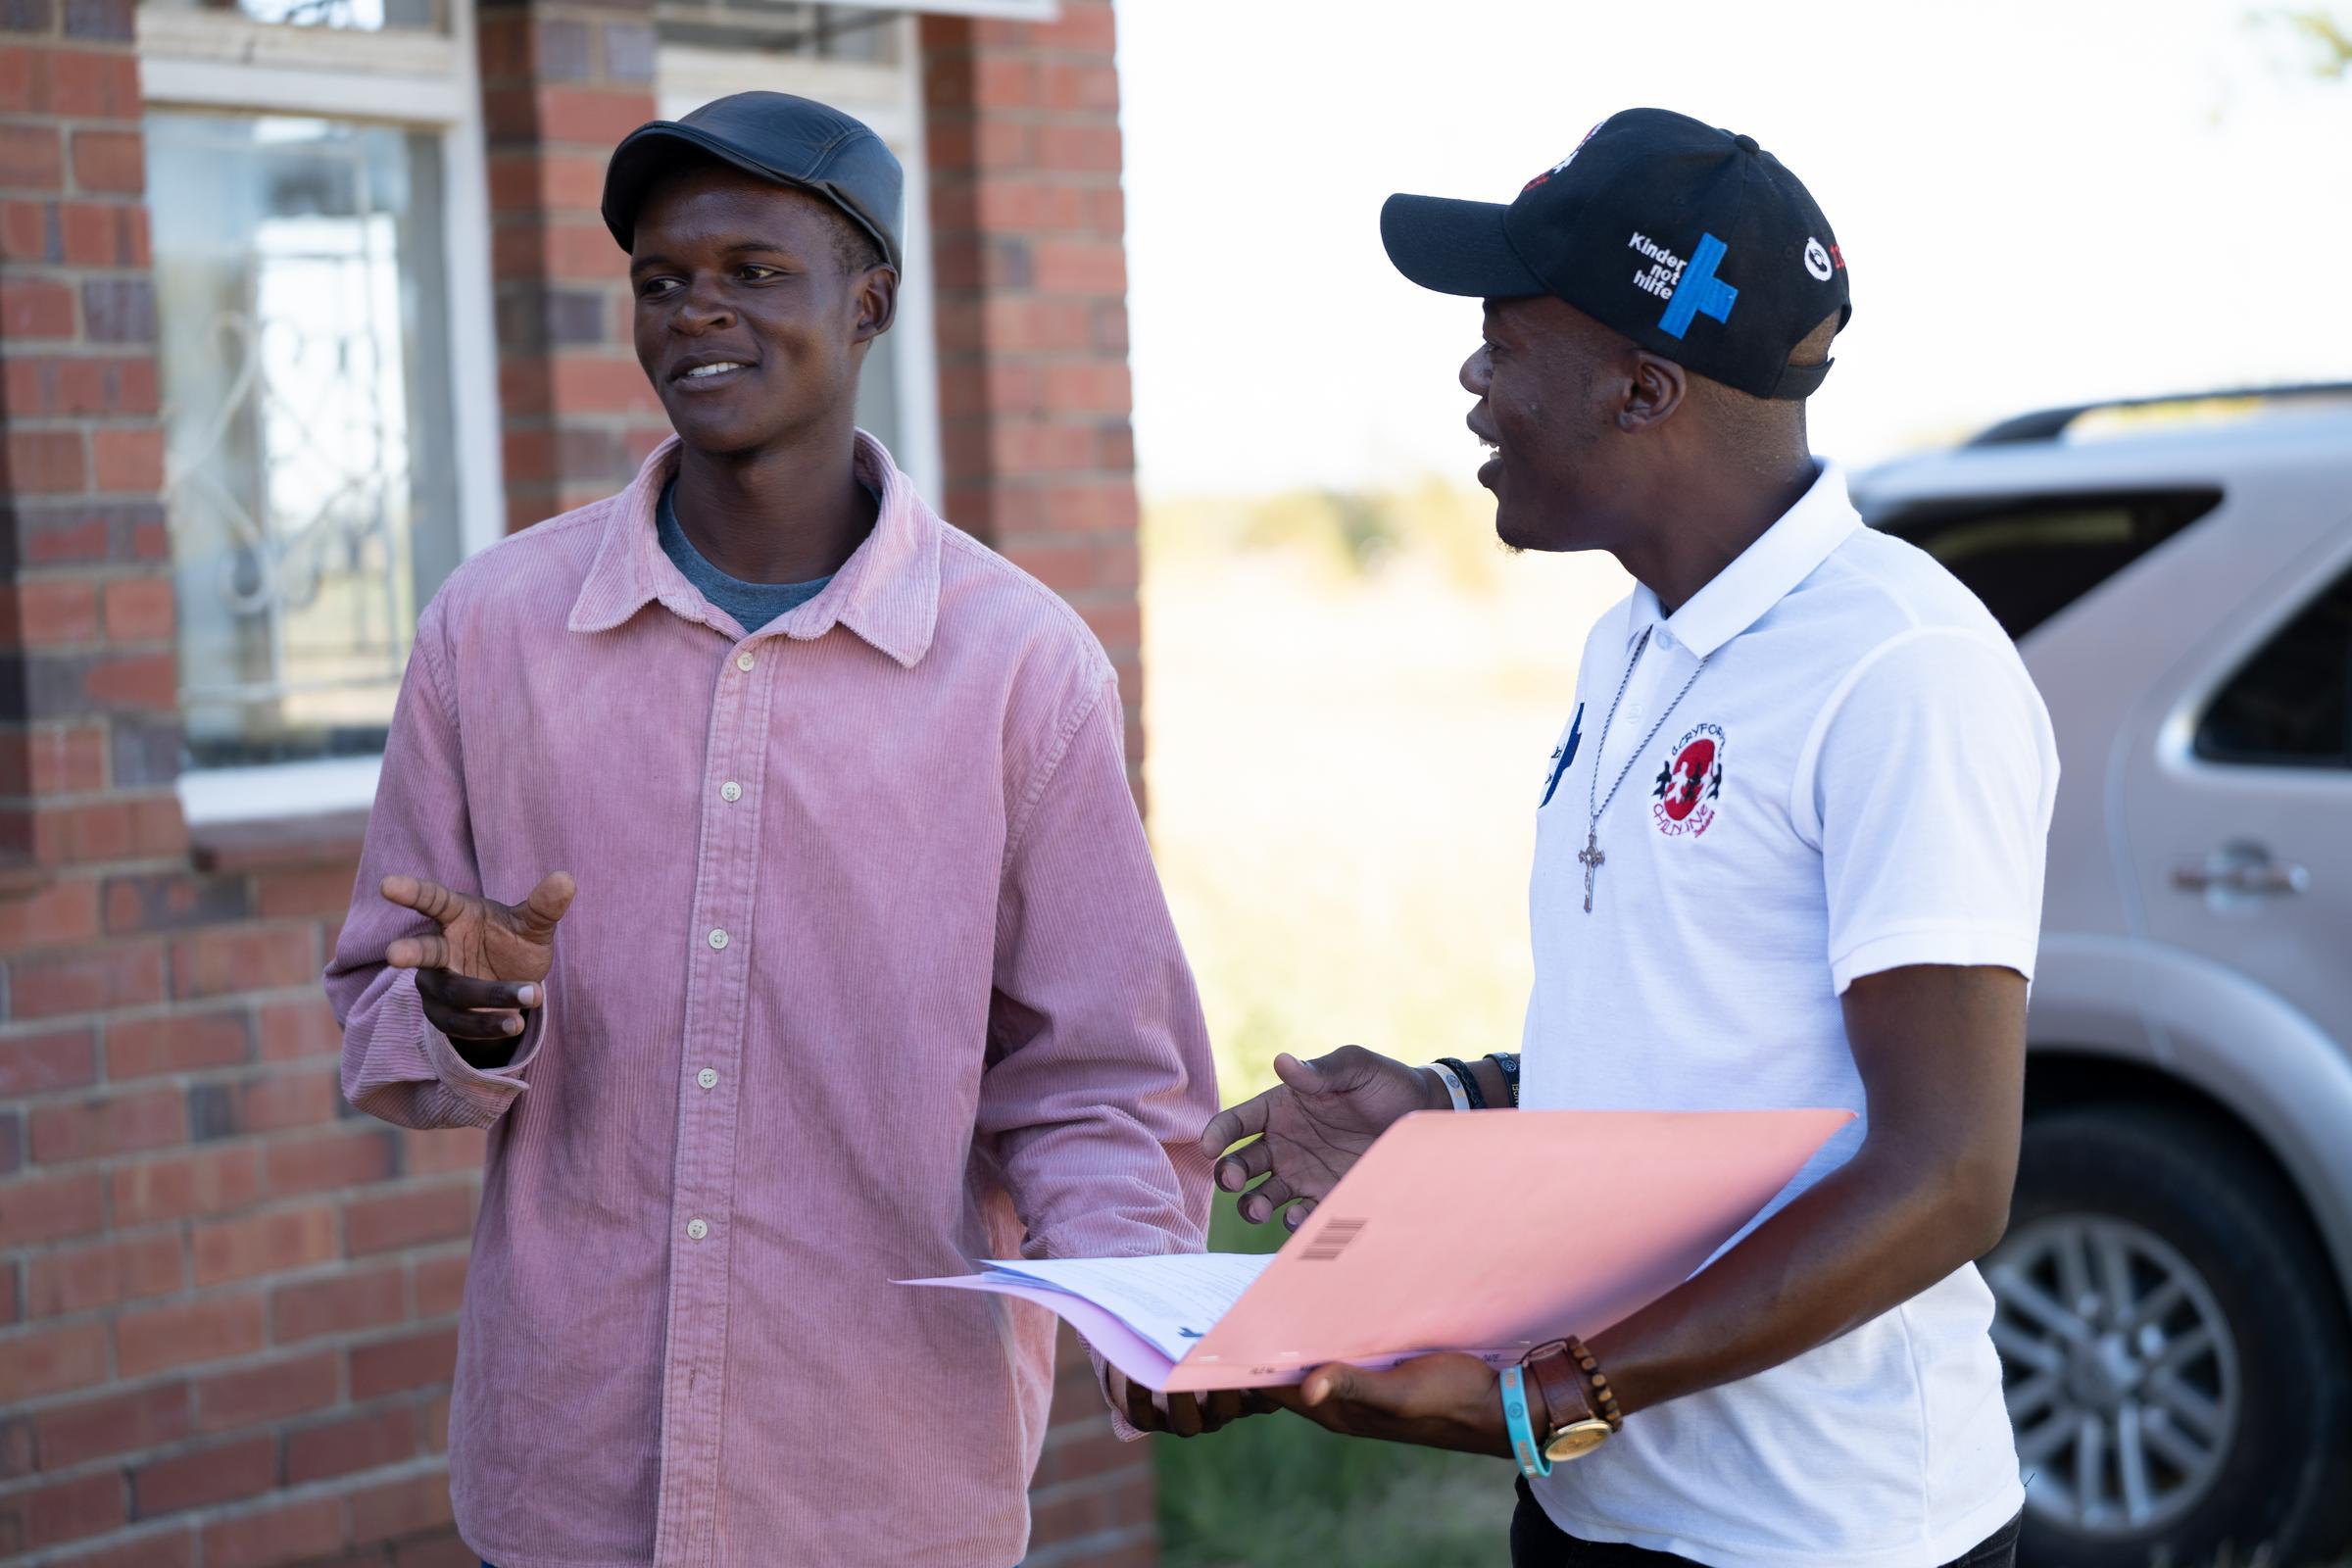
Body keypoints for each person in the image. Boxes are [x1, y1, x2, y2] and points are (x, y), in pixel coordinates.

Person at [325, 92, 1223, 1568]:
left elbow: (1098, 1076)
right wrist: (471, 1021)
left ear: (869, 302)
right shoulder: (491, 633)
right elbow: (378, 1009)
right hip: (565, 1481)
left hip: (884, 1487)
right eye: (663, 280)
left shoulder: (1019, 666)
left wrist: (1142, 1312)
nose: (696, 314)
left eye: (753, 271)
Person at [1186, 109, 2056, 1568]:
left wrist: (1553, 1392)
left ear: (1645, 387)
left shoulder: (1900, 665)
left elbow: (1948, 1172)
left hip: (1826, 1536)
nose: (1471, 382)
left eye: (1504, 340)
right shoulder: (1628, 647)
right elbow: (1712, 1068)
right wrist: (1451, 1109)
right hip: (1600, 1511)